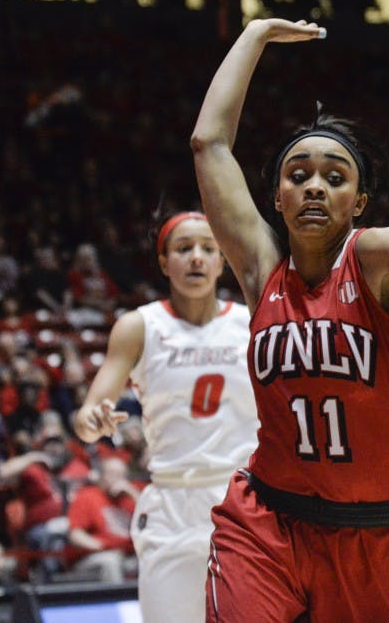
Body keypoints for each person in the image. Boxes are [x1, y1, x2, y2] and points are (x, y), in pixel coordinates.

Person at [190, 17, 389, 621]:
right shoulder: (262, 272)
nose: (315, 187)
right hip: (266, 521)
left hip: (372, 534)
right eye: (298, 175)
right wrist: (253, 35)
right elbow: (210, 145)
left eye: (335, 178)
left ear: (358, 202)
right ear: (277, 196)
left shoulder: (379, 256)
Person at [73, 211, 258, 622]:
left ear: (222, 260)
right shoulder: (139, 326)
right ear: (163, 262)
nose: (196, 258)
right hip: (171, 503)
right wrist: (93, 421)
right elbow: (88, 414)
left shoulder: (252, 322)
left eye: (208, 249)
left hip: (242, 500)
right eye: (183, 248)